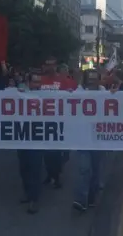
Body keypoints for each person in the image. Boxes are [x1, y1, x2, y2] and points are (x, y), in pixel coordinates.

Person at [40, 56, 75, 189]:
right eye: (47, 64)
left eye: (52, 64)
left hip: (60, 120)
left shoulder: (64, 81)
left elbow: (74, 97)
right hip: (44, 120)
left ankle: (56, 175)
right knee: (47, 152)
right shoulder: (41, 80)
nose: (50, 67)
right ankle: (50, 174)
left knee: (56, 151)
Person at [72, 70, 105, 212]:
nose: (92, 82)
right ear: (85, 81)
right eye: (89, 79)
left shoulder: (105, 94)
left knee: (96, 170)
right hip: (83, 137)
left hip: (98, 138)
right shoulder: (77, 93)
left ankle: (92, 196)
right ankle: (81, 200)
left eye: (94, 79)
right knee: (85, 168)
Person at [17, 72, 45, 214]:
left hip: (38, 137)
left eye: (39, 82)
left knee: (35, 168)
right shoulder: (19, 94)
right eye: (35, 82)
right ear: (28, 83)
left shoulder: (47, 96)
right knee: (24, 167)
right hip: (22, 137)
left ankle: (34, 199)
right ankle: (27, 192)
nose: (37, 85)